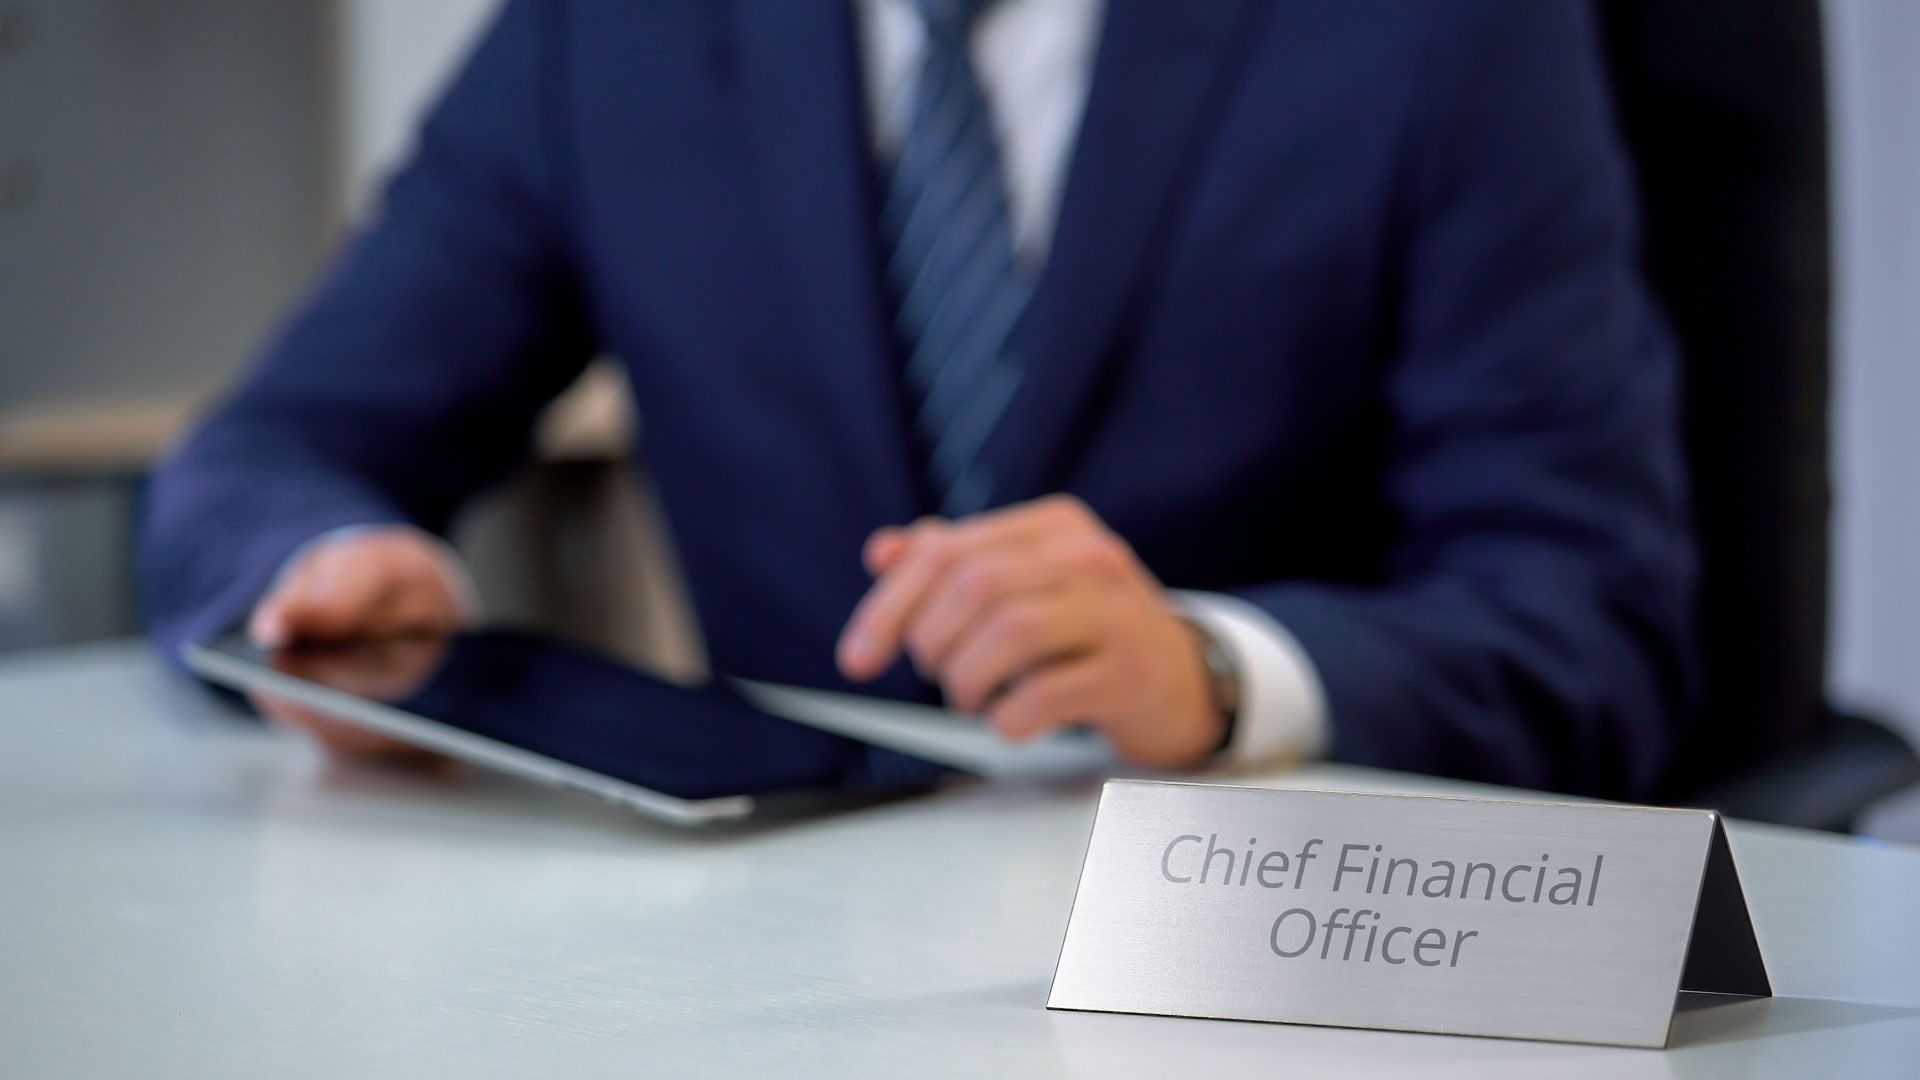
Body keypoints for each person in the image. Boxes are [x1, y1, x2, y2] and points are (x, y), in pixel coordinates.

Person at [141, 0, 1694, 796]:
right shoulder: (606, 32)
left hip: (1264, 960)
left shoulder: (1433, 31)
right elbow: (275, 449)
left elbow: (1587, 611)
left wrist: (1219, 678)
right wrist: (320, 576)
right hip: (781, 976)